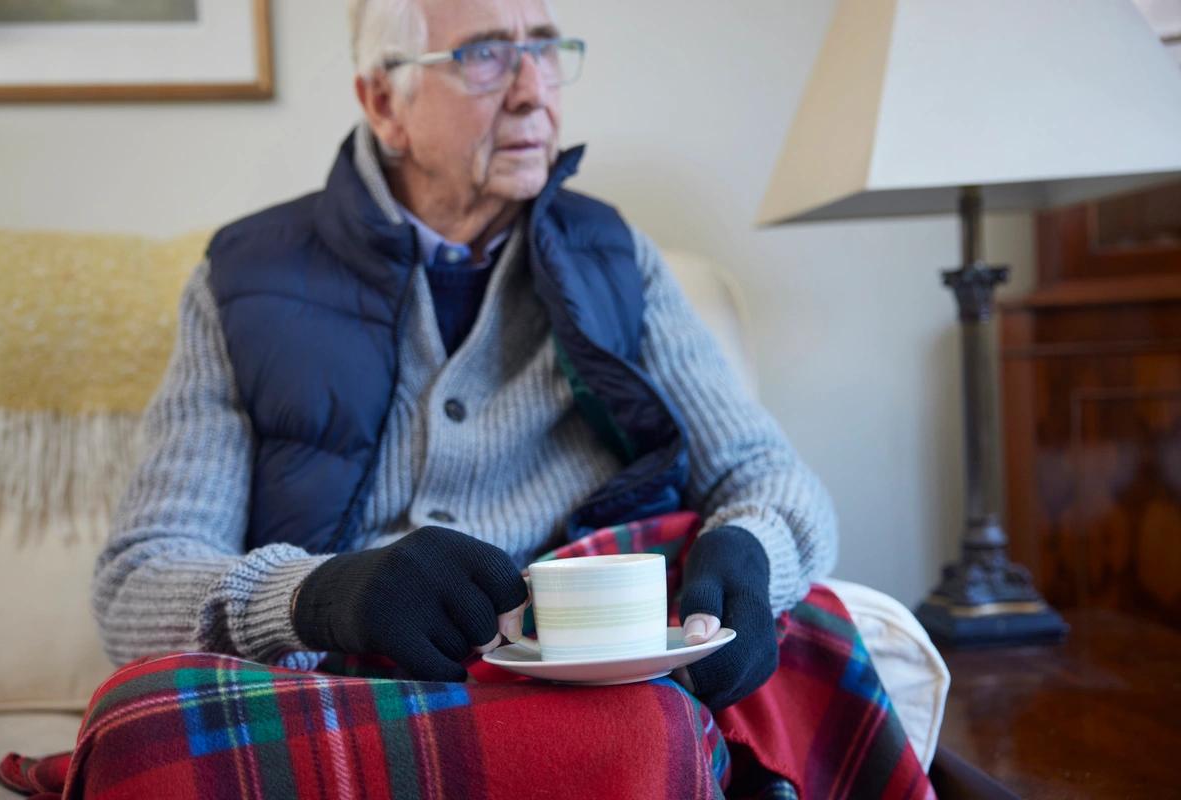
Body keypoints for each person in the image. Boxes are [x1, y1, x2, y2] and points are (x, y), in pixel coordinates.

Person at [92, 0, 838, 714]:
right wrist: (319, 595)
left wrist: (751, 551)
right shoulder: (243, 279)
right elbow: (137, 587)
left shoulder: (614, 259)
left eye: (544, 47)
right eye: (484, 55)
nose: (534, 91)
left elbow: (767, 475)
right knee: (136, 723)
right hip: (346, 692)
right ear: (385, 103)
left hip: (579, 681)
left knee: (813, 640)